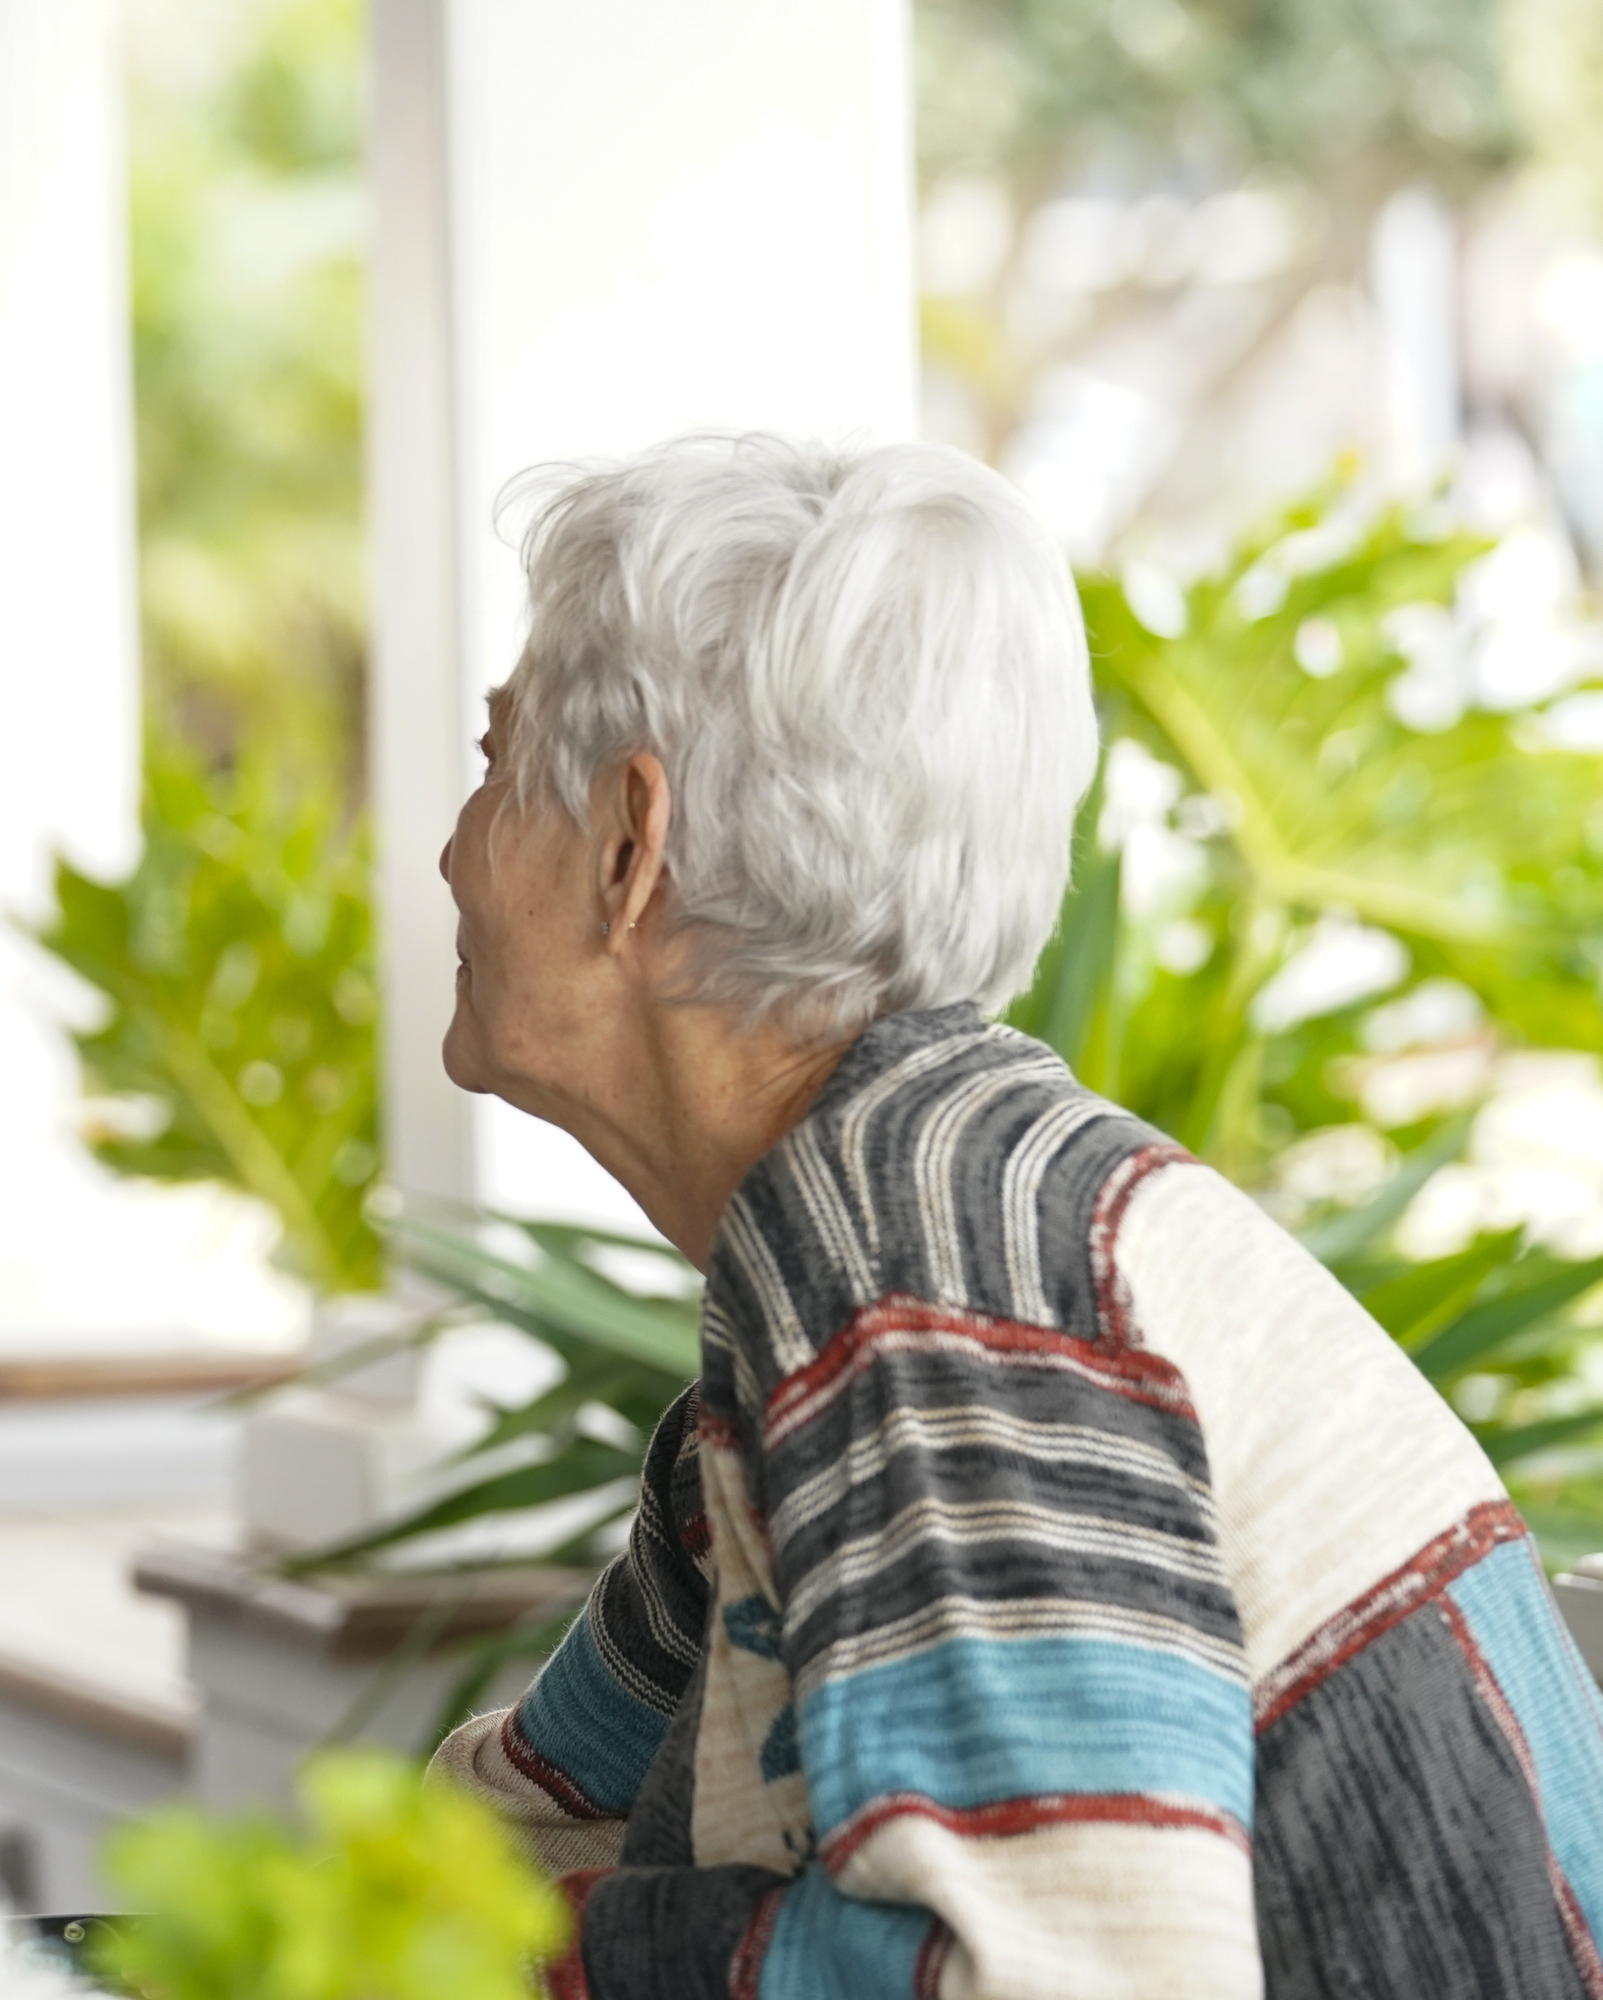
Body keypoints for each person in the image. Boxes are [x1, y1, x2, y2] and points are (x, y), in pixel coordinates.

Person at [430, 432, 1603, 1998]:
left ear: (631, 849)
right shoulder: (910, 1210)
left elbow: (1046, 1980)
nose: (449, 850)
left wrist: (531, 1955)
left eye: (496, 765)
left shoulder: (929, 1264)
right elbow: (516, 1823)